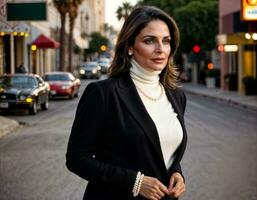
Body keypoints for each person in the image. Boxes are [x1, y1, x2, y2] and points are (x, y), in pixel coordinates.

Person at [66, 5, 187, 200]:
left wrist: (177, 173)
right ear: (130, 46)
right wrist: (135, 182)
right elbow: (77, 159)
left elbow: (161, 150)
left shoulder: (176, 96)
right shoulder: (103, 94)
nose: (160, 49)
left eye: (166, 41)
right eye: (149, 41)